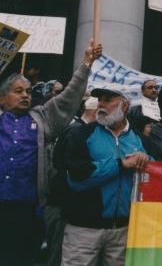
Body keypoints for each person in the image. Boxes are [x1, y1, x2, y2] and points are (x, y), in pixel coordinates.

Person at [0, 40, 102, 266]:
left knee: (23, 259)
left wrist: (86, 63)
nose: (25, 95)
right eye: (18, 91)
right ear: (1, 97)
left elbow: (68, 99)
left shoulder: (41, 119)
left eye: (28, 91)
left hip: (28, 208)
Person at [59, 86, 149, 266]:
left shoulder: (139, 139)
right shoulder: (81, 134)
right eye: (100, 100)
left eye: (108, 100)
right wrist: (120, 164)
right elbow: (76, 178)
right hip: (83, 230)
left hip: (123, 231)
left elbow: (153, 175)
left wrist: (146, 160)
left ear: (124, 106)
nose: (101, 104)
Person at [45, 96, 100, 266]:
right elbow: (66, 167)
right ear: (94, 112)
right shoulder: (75, 132)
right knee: (59, 251)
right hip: (62, 204)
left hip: (63, 203)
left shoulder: (77, 130)